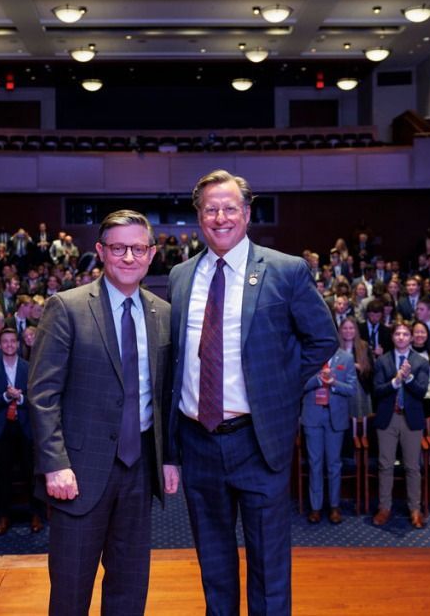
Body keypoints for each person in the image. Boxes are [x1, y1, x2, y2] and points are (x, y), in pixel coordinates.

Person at [167, 171, 336, 615]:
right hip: (198, 441)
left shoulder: (285, 270)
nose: (220, 217)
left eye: (229, 208)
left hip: (258, 441)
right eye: (210, 209)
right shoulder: (181, 276)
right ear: (199, 217)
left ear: (246, 213)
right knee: (214, 564)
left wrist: (276, 388)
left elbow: (322, 338)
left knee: (268, 567)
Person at [29, 209, 176, 616]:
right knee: (71, 592)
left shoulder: (163, 313)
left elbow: (164, 395)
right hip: (78, 473)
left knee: (129, 588)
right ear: (100, 251)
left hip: (139, 469)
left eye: (138, 249)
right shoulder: (67, 307)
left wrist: (170, 457)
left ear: (151, 254)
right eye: (118, 248)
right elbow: (42, 394)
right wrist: (55, 464)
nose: (129, 257)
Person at [0, 326, 44, 534]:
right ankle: (4, 516)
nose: (9, 345)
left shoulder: (30, 368)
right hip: (2, 430)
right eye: (5, 341)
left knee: (31, 474)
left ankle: (35, 513)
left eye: (13, 341)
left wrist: (19, 398)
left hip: (26, 427)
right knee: (3, 475)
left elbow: (37, 400)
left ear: (18, 344)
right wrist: (5, 397)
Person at [372, 322, 430, 528]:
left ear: (411, 338)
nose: (402, 337)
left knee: (413, 466)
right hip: (388, 418)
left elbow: (422, 392)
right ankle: (384, 508)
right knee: (385, 465)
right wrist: (396, 382)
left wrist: (409, 378)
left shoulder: (421, 361)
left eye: (406, 334)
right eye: (398, 334)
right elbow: (377, 390)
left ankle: (415, 509)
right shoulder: (383, 361)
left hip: (411, 419)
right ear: (393, 337)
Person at [302, 351, 357, 524]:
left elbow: (352, 389)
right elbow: (298, 385)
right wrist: (318, 380)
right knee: (315, 463)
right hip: (313, 416)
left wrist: (333, 382)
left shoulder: (346, 358)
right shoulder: (309, 355)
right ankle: (315, 507)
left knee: (334, 464)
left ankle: (334, 506)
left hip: (335, 417)